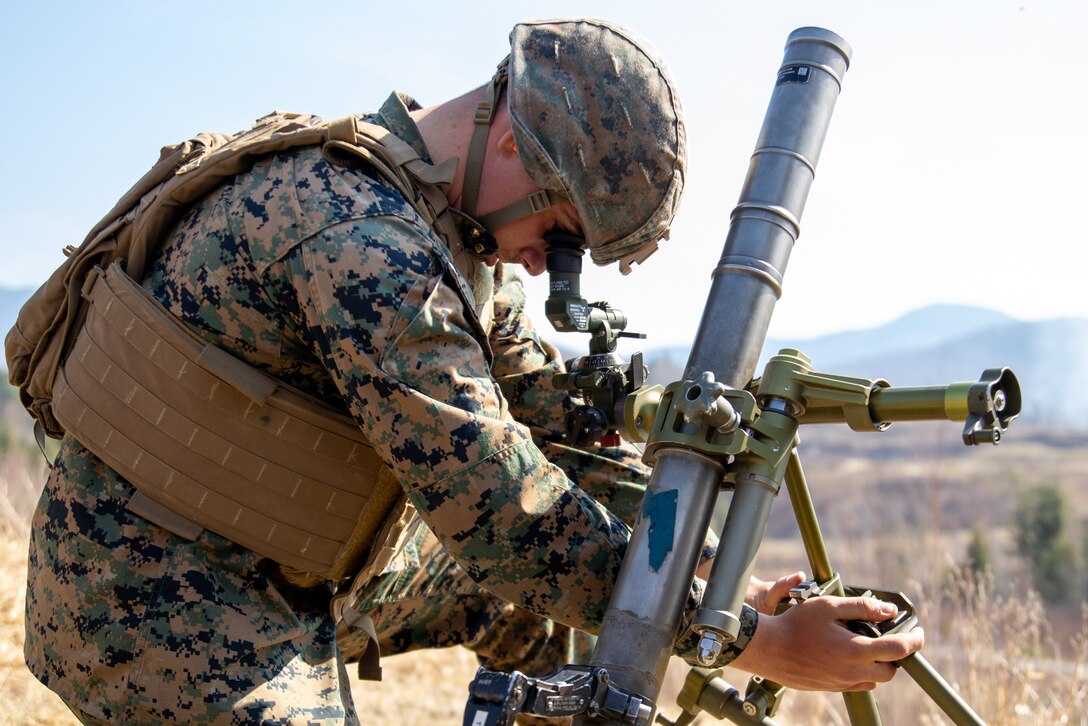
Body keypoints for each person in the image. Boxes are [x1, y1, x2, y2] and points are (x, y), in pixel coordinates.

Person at [23, 18, 923, 724]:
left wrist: (718, 579)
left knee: (543, 617)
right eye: (562, 233)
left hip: (284, 554)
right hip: (150, 589)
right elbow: (504, 509)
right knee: (536, 571)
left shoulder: (449, 243)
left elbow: (554, 436)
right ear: (510, 149)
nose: (549, 269)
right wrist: (748, 641)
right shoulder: (357, 240)